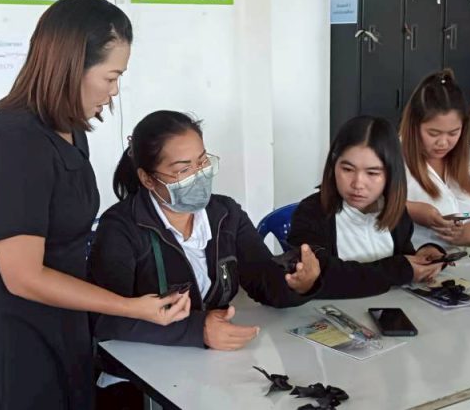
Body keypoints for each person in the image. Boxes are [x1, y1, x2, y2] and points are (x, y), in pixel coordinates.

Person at [0, 0, 192, 410]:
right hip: (12, 334)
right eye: (111, 77)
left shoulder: (67, 130)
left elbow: (42, 228)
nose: (114, 92)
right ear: (71, 66)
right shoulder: (13, 145)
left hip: (60, 317)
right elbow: (24, 276)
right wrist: (129, 307)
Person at [90, 111, 322, 407]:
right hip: (140, 380)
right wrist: (197, 330)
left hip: (212, 368)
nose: (199, 175)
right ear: (148, 179)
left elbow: (263, 280)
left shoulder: (226, 214)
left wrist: (300, 284)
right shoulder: (121, 228)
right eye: (183, 169)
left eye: (202, 161)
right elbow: (106, 321)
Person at [287, 116, 446, 299]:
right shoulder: (311, 213)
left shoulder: (395, 210)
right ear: (333, 165)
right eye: (347, 169)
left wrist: (425, 257)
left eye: (372, 173)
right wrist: (398, 270)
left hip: (392, 307)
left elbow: (403, 258)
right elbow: (324, 277)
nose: (358, 184)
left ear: (391, 174)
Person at [401, 70, 470, 253]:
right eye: (433, 133)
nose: (443, 143)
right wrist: (410, 210)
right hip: (420, 262)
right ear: (414, 126)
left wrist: (466, 234)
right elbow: (370, 205)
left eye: (453, 133)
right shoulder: (392, 158)